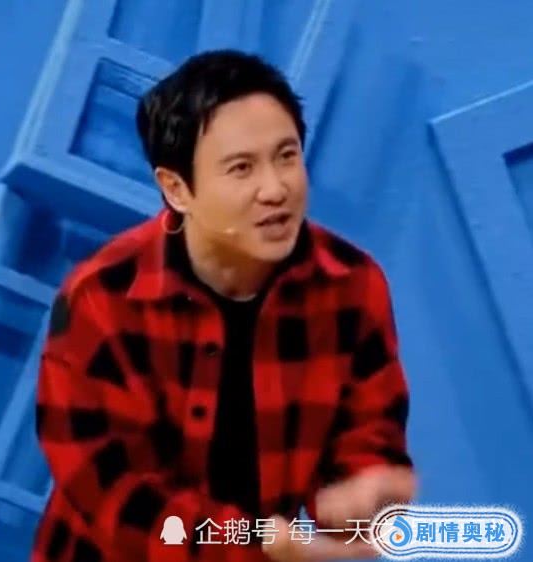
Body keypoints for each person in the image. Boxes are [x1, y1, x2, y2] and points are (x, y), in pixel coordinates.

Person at [31, 49, 416, 562]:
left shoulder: (351, 284)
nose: (275, 189)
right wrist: (258, 547)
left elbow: (369, 430)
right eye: (242, 168)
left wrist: (361, 493)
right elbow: (114, 493)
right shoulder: (100, 299)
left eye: (287, 156)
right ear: (176, 189)